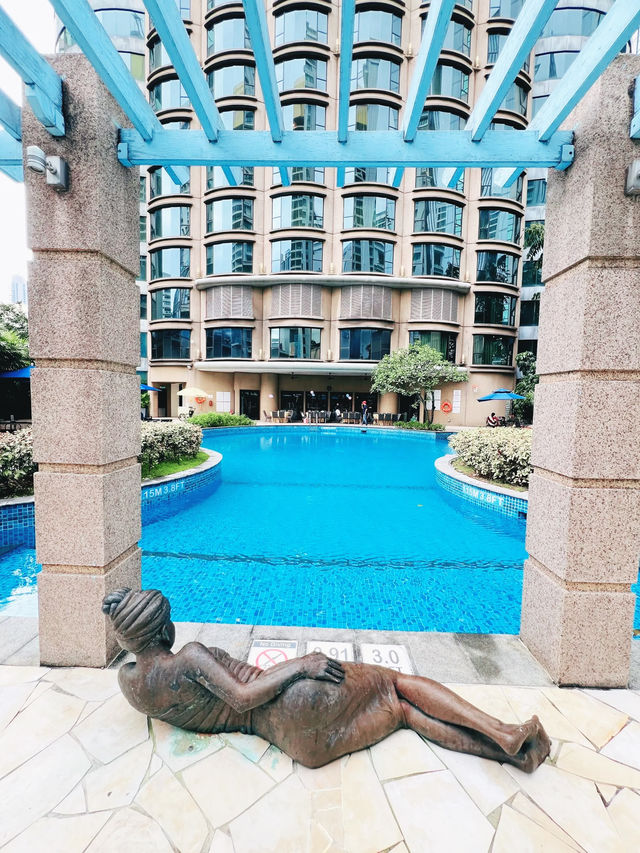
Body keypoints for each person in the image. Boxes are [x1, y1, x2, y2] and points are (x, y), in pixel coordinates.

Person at [103, 589, 551, 772]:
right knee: (398, 683)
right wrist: (302, 664)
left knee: (403, 713)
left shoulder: (131, 685)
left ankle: (513, 757)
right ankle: (504, 733)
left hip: (300, 747)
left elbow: (227, 712)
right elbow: (241, 696)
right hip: (295, 698)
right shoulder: (190, 657)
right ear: (164, 631)